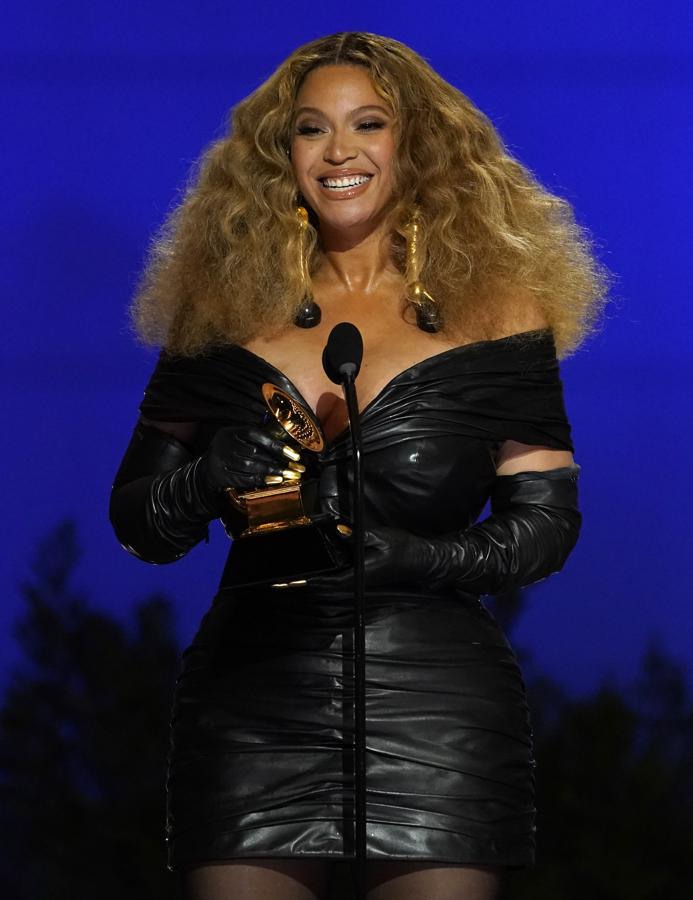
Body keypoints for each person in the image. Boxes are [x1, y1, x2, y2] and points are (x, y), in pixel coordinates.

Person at [110, 32, 606, 900]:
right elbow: (137, 520)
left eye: (367, 124)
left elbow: (545, 525)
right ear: (282, 155)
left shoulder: (495, 309)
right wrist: (202, 478)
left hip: (437, 703)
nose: (338, 151)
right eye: (311, 130)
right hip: (251, 702)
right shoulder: (218, 308)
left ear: (411, 144)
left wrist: (420, 559)